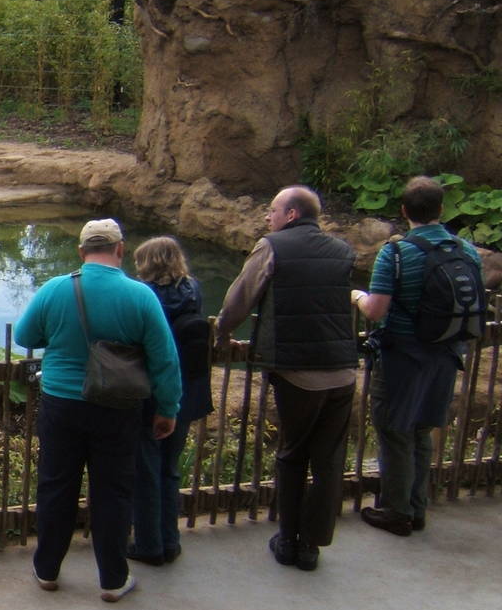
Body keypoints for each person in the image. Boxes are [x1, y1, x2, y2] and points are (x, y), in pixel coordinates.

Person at [14, 218, 180, 602]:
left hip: (61, 404)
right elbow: (165, 360)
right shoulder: (140, 296)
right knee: (113, 492)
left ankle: (47, 570)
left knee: (56, 486)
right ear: (120, 249)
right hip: (117, 407)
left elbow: (25, 336)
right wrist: (167, 408)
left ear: (81, 251)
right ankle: (112, 579)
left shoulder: (56, 289)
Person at [216, 185, 357, 572]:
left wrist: (223, 332)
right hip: (343, 371)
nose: (268, 216)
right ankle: (312, 546)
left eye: (273, 209)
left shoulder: (272, 246)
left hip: (299, 372)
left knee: (293, 454)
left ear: (292, 214)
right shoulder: (342, 250)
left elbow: (240, 297)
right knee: (328, 461)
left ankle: (289, 539)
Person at [353, 175, 482, 536]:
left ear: (403, 210)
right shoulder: (467, 250)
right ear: (441, 209)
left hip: (403, 357)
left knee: (395, 430)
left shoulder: (396, 253)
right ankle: (417, 508)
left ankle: (397, 512)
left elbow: (376, 310)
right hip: (446, 355)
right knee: (423, 429)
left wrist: (357, 297)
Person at [128, 237, 214, 566]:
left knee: (146, 469)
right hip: (188, 392)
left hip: (152, 392)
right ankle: (170, 540)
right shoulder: (193, 291)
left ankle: (148, 544)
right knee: (169, 469)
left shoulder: (144, 295)